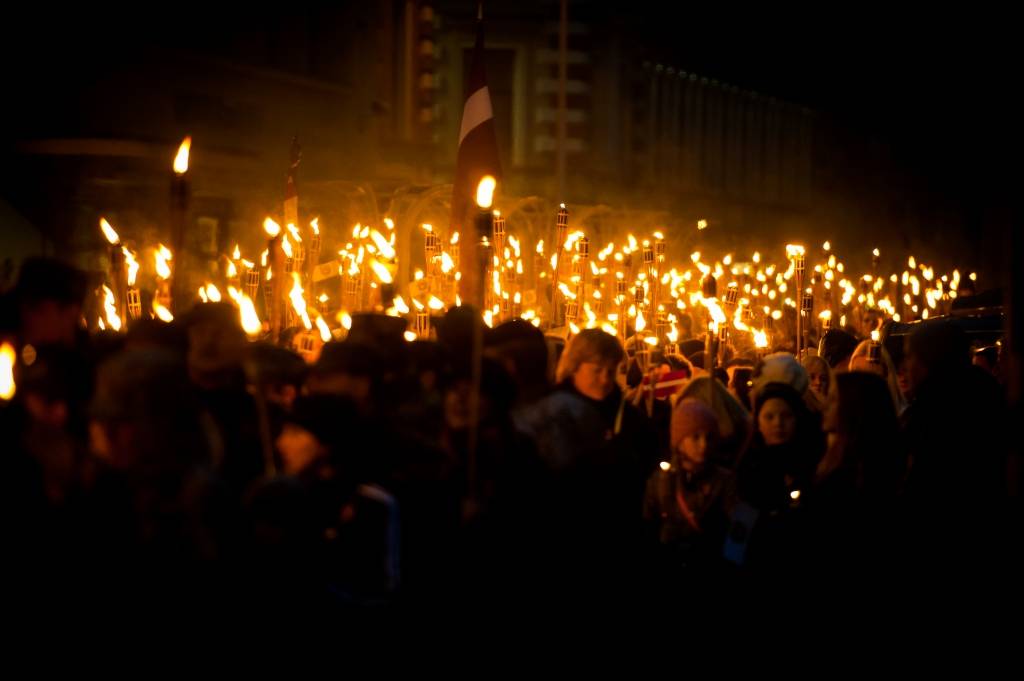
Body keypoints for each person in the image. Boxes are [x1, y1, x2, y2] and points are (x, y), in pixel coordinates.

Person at [644, 399, 735, 571]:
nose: (703, 445)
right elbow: (648, 525)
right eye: (695, 437)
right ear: (680, 441)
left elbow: (739, 529)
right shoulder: (660, 481)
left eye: (709, 437)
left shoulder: (726, 480)